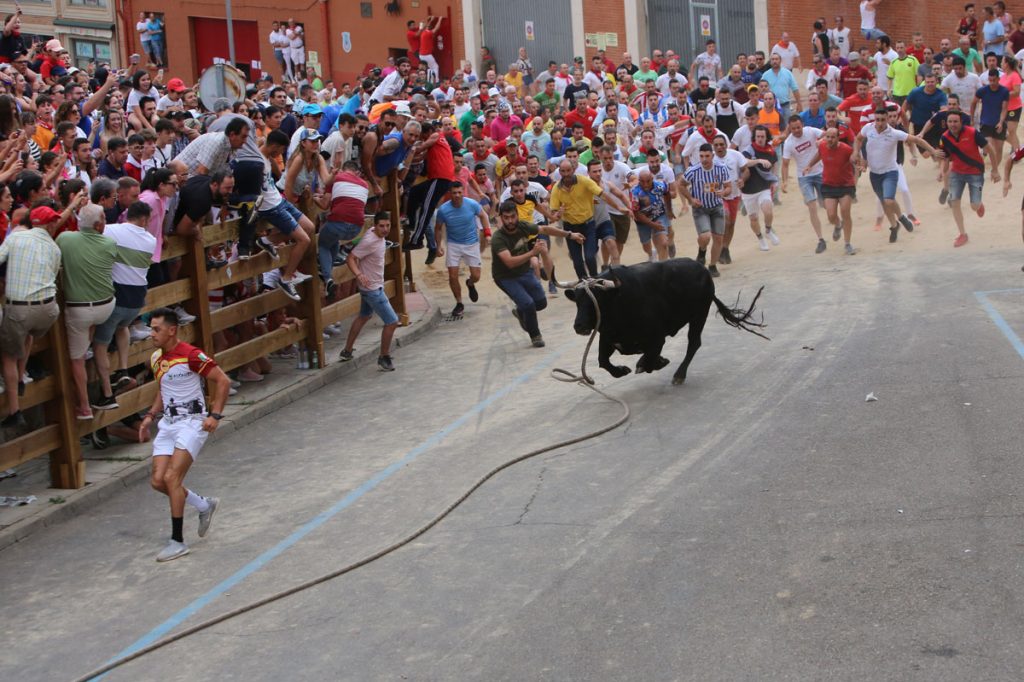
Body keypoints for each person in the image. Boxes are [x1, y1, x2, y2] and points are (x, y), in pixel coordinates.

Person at [140, 307, 229, 562]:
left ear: (171, 330)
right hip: (168, 424)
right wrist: (150, 416)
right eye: (151, 329)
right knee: (158, 481)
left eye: (156, 329)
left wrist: (215, 415)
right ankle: (204, 505)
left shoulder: (191, 355)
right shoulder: (157, 358)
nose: (151, 334)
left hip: (192, 422)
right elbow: (163, 388)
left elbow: (222, 381)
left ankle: (177, 541)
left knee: (171, 477)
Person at [0, 205, 66, 428]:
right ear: (44, 224)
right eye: (52, 221)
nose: (54, 224)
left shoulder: (16, 239)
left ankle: (14, 409)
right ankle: (20, 377)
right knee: (28, 335)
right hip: (48, 309)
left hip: (20, 308)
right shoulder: (54, 248)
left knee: (8, 354)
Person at [55, 202, 117, 420]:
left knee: (77, 359)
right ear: (99, 225)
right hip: (106, 306)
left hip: (80, 310)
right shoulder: (109, 243)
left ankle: (84, 406)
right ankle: (105, 391)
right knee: (88, 337)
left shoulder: (65, 239)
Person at [92, 200, 157, 406]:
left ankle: (107, 393)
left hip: (117, 296)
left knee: (100, 344)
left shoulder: (111, 230)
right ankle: (123, 368)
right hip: (137, 300)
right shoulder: (151, 240)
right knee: (123, 327)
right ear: (145, 219)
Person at [492, 200, 582, 348]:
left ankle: (521, 312)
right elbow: (509, 262)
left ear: (517, 215)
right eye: (506, 217)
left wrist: (570, 235)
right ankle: (535, 335)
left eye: (512, 216)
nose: (509, 221)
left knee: (540, 302)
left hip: (524, 271)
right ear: (501, 217)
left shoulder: (522, 227)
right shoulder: (498, 238)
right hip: (505, 277)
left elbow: (545, 229)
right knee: (528, 304)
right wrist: (532, 253)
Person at [853, 108, 938, 242]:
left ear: (887, 119)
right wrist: (856, 153)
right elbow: (858, 139)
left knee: (888, 200)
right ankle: (894, 226)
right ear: (874, 119)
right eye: (877, 120)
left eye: (882, 120)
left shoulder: (894, 133)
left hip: (890, 172)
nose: (879, 123)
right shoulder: (868, 128)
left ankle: (901, 217)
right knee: (884, 202)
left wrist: (933, 151)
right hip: (874, 173)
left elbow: (916, 140)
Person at [338, 212, 400, 371]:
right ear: (376, 225)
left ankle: (347, 350)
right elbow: (350, 258)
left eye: (387, 225)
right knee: (392, 322)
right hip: (373, 289)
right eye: (382, 226)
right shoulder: (370, 240)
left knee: (364, 316)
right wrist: (358, 274)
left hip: (369, 288)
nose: (385, 229)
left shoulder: (373, 232)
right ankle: (384, 356)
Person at [434, 181, 488, 318]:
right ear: (450, 194)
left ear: (463, 192)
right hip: (453, 244)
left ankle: (470, 284)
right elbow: (438, 228)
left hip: (471, 243)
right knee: (452, 275)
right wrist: (438, 246)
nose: (457, 195)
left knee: (476, 276)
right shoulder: (443, 210)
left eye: (459, 192)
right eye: (454, 193)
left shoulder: (472, 204)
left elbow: (483, 215)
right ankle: (459, 303)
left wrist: (487, 232)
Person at [940, 110, 993, 247]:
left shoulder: (972, 133)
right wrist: (943, 171)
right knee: (954, 201)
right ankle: (962, 234)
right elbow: (946, 157)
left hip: (975, 172)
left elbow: (989, 149)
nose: (953, 124)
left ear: (961, 122)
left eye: (955, 121)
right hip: (957, 173)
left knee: (974, 205)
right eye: (950, 122)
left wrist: (996, 170)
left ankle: (979, 205)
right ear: (946, 123)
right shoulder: (945, 137)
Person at [678, 143, 732, 277]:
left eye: (707, 156)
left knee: (718, 238)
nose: (704, 159)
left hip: (717, 206)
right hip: (700, 207)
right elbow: (681, 185)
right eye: (701, 156)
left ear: (712, 156)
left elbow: (729, 187)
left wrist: (724, 192)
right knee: (705, 236)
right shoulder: (693, 171)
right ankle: (702, 251)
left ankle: (712, 265)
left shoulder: (721, 168)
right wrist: (691, 199)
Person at [805, 126, 859, 254]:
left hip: (846, 185)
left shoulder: (846, 149)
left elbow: (855, 161)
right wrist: (809, 165)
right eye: (827, 137)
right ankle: (838, 225)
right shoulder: (822, 146)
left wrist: (859, 169)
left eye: (833, 137)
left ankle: (847, 244)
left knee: (846, 212)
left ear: (838, 138)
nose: (829, 139)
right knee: (831, 215)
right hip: (829, 185)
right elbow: (819, 155)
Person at [319, 160, 368, 297]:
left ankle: (327, 277)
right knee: (333, 241)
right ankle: (328, 272)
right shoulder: (364, 184)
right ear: (357, 172)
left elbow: (324, 204)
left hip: (337, 224)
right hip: (356, 229)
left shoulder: (335, 178)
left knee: (323, 244)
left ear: (342, 169)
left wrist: (314, 198)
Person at [549, 159, 604, 280]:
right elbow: (553, 215)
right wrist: (559, 214)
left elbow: (601, 193)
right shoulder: (556, 189)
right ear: (560, 172)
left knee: (590, 257)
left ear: (573, 170)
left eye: (568, 170)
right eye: (563, 171)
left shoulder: (584, 181)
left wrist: (619, 205)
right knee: (577, 261)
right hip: (570, 228)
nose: (566, 173)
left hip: (588, 224)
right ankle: (583, 282)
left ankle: (595, 280)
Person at [780, 116, 827, 253]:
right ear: (789, 128)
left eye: (798, 127)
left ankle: (836, 224)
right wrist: (784, 181)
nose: (796, 130)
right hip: (804, 177)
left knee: (825, 204)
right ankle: (820, 239)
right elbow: (785, 164)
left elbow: (826, 134)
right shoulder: (789, 143)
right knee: (812, 206)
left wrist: (822, 140)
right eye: (793, 128)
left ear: (803, 125)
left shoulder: (811, 131)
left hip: (819, 172)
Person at [739, 125, 781, 251]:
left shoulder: (771, 151)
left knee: (768, 210)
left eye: (762, 136)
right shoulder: (749, 150)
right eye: (758, 136)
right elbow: (743, 161)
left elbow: (774, 166)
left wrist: (774, 181)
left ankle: (768, 230)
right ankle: (760, 238)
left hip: (764, 187)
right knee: (753, 218)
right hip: (748, 190)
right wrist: (758, 161)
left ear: (766, 137)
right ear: (754, 137)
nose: (760, 139)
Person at [971, 68, 1010, 181]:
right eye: (990, 80)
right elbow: (973, 103)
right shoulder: (982, 91)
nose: (992, 83)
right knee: (989, 147)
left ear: (998, 79)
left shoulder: (1004, 91)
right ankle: (990, 169)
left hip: (999, 123)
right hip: (986, 123)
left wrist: (1001, 122)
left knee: (999, 149)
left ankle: (994, 169)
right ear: (988, 79)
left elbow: (1004, 109)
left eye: (994, 80)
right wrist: (972, 118)